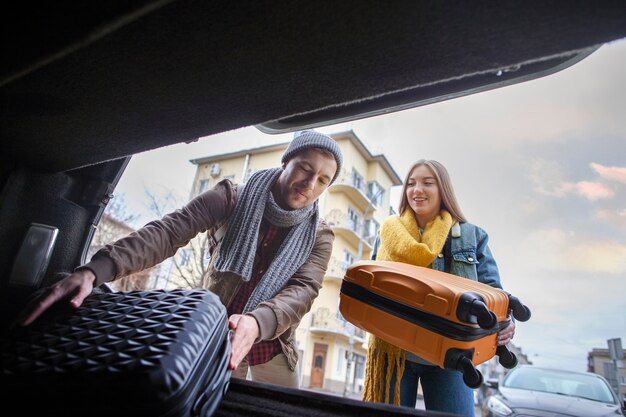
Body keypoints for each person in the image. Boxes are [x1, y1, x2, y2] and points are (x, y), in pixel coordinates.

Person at [16, 130, 343, 388]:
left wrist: (258, 323)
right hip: (213, 331)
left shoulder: (321, 235)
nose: (310, 184)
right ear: (286, 161)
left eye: (323, 180)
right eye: (305, 168)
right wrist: (93, 272)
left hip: (273, 342)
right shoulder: (231, 197)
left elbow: (304, 289)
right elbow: (168, 232)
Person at [363, 159, 515, 416]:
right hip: (394, 356)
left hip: (454, 358)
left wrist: (506, 321)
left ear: (442, 189)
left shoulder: (472, 235)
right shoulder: (389, 232)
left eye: (427, 182)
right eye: (411, 183)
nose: (416, 189)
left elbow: (494, 292)